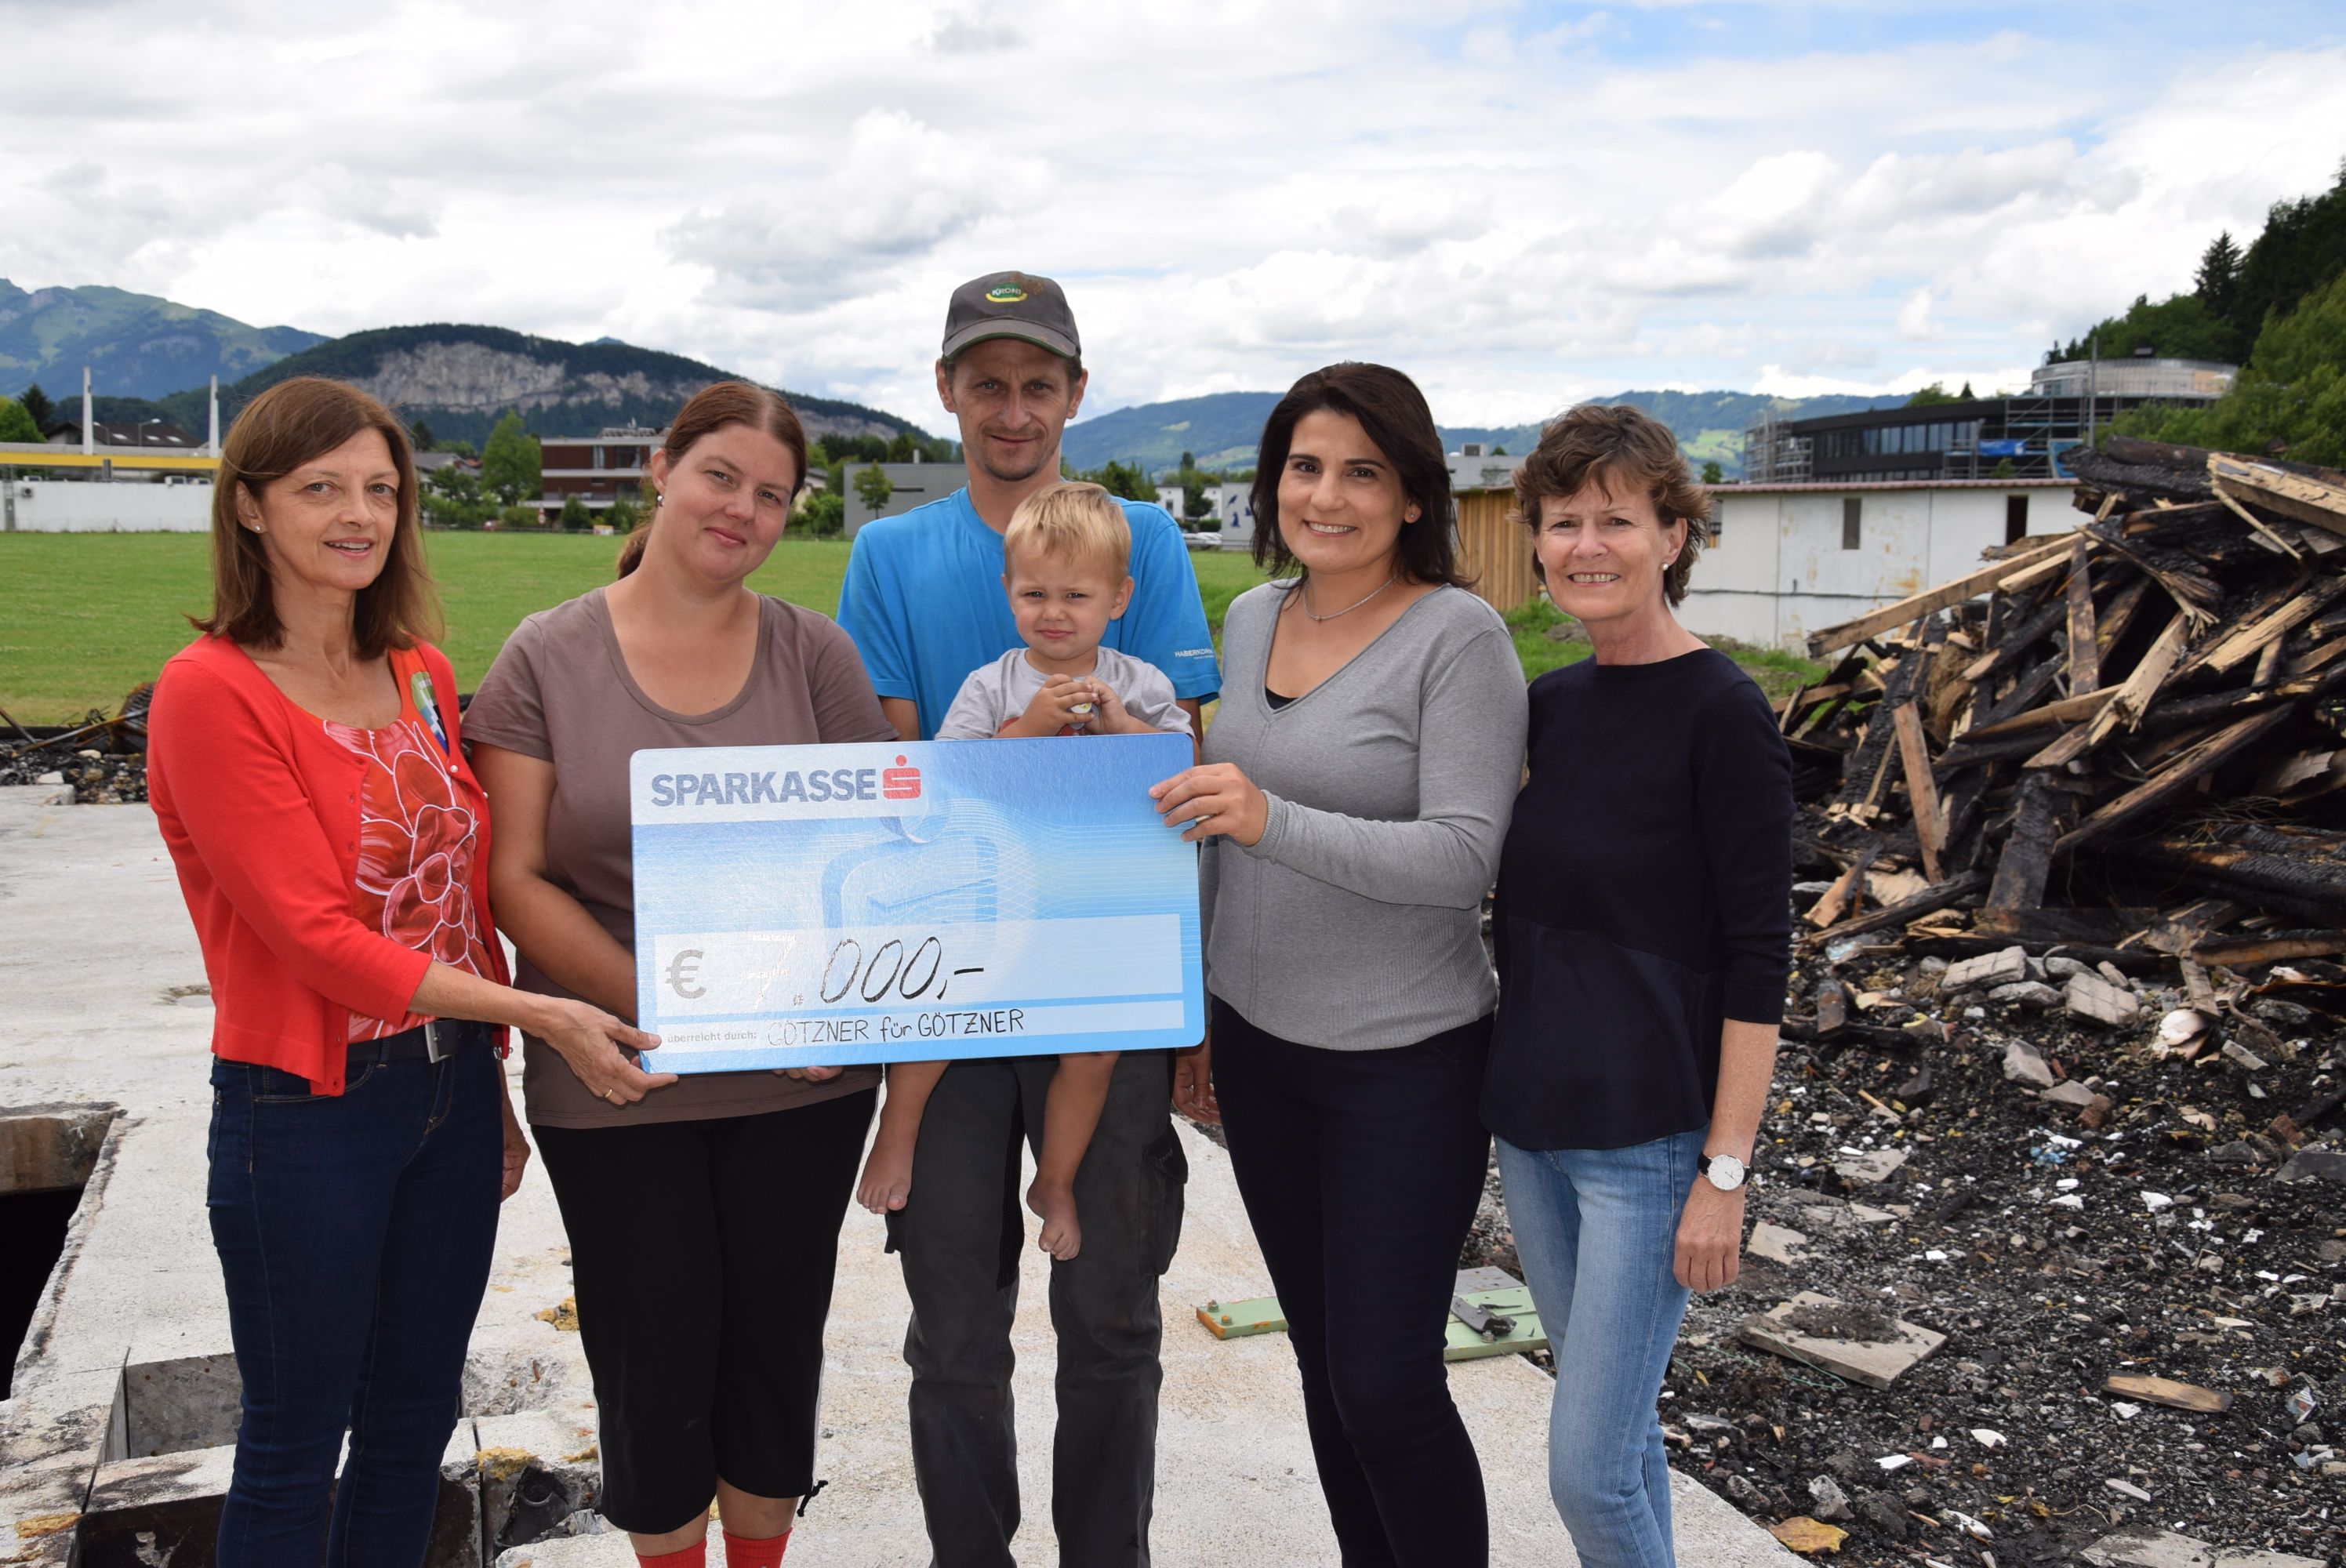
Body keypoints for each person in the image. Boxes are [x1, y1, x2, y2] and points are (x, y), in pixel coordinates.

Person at [147, 376, 654, 1566]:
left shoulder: (420, 670)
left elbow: (458, 901)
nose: (358, 515)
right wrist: (545, 1012)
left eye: (380, 489)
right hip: (307, 1110)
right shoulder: (210, 691)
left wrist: (491, 1076)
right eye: (320, 488)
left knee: (413, 1425)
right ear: (251, 506)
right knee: (293, 1441)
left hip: (447, 1091)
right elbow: (317, 939)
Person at [464, 382, 897, 1568]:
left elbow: (881, 852)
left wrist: (828, 1008)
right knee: (650, 1371)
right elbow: (515, 878)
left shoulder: (815, 654)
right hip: (617, 1072)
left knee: (773, 1361)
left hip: (798, 1079)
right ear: (662, 468)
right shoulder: (546, 654)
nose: (742, 509)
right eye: (721, 476)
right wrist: (673, 1005)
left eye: (773, 495)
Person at [833, 270, 1218, 1566]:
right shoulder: (890, 555)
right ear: (946, 389)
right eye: (986, 383)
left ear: (1075, 392)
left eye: (1037, 384)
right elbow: (908, 776)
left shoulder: (1145, 538)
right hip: (955, 959)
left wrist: (1190, 1003)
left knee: (1110, 1311)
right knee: (953, 1323)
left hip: (1103, 962)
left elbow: (1177, 762)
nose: (1012, 409)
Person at [1149, 362, 1527, 1568]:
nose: (1327, 495)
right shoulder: (1254, 617)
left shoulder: (1459, 639)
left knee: (1388, 1385)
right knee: (1325, 1368)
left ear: (1414, 496)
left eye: (1363, 472)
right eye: (1305, 467)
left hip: (1402, 1065)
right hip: (1264, 1056)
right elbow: (1215, 829)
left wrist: (1272, 820)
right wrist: (1198, 1011)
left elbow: (1463, 859)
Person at [1480, 404, 1793, 1568]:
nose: (1586, 545)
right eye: (1563, 521)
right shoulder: (1552, 707)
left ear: (1673, 536)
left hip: (1647, 1151)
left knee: (1588, 1470)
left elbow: (1762, 957)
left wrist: (1725, 1172)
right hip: (1534, 1135)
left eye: (1617, 519)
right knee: (1622, 1440)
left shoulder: (1724, 712)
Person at [855, 481, 1197, 1262]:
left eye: (1077, 595)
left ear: (1118, 597)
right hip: (995, 891)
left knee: (1095, 1053)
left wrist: (1120, 724)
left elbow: (1179, 768)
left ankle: (1057, 1181)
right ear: (1007, 590)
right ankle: (898, 1128)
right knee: (939, 1005)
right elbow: (946, 783)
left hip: (1090, 903)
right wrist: (1029, 728)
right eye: (1034, 593)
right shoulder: (992, 684)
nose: (1054, 612)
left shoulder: (1142, 684)